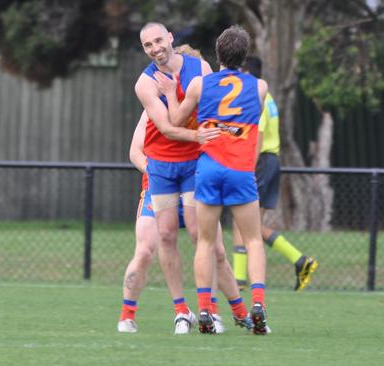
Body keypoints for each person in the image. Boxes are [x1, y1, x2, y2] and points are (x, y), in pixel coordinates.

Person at [133, 28, 250, 335]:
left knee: (206, 240)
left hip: (195, 164)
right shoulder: (145, 84)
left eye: (158, 41)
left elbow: (212, 113)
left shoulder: (200, 68)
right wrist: (198, 133)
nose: (155, 48)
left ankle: (216, 310)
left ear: (170, 37)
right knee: (167, 236)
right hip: (161, 166)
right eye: (148, 45)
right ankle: (181, 311)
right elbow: (168, 128)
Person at [155, 25, 270, 335]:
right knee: (254, 239)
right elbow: (252, 120)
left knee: (205, 242)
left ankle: (205, 310)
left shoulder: (199, 84)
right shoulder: (259, 87)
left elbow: (176, 120)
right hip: (240, 169)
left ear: (217, 53)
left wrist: (168, 93)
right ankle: (257, 305)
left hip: (208, 168)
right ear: (244, 55)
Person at [233, 56, 319, 292]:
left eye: (240, 73)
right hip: (270, 161)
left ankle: (239, 282)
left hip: (259, 161)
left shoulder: (255, 97)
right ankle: (300, 261)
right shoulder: (268, 97)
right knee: (251, 225)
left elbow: (257, 136)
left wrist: (247, 169)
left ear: (247, 74)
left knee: (242, 222)